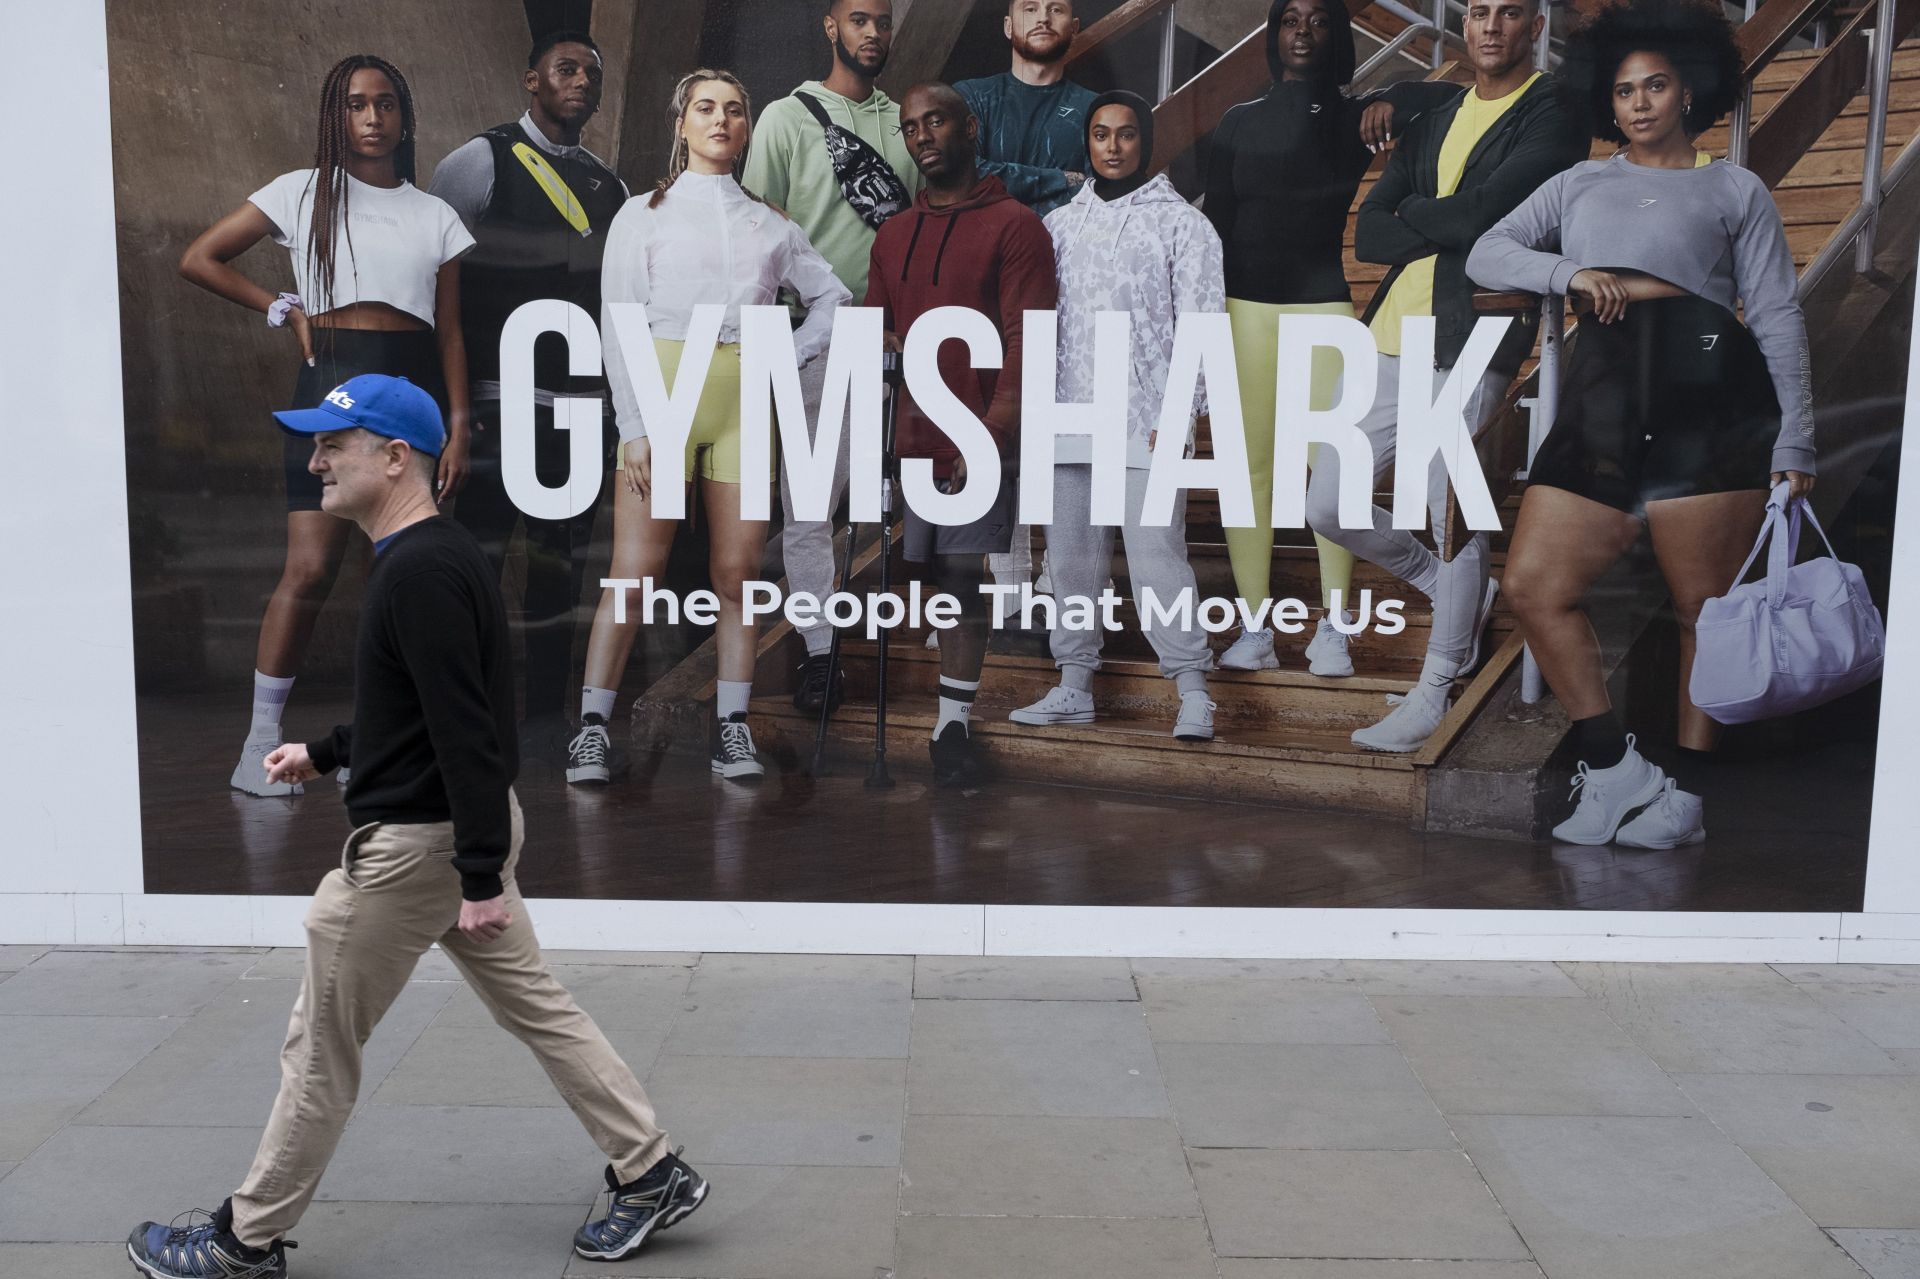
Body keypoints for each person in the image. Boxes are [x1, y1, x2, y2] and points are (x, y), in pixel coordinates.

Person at [126, 375, 706, 1279]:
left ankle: (247, 1238)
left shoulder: (422, 570)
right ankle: (653, 1168)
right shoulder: (426, 555)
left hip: (416, 852)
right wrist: (324, 752)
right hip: (452, 837)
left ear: (396, 458)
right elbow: (429, 708)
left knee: (318, 1044)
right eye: (316, 445)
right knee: (542, 1010)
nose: (314, 461)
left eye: (334, 446)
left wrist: (476, 875)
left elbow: (472, 733)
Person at [1468, 0, 1814, 847]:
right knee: (1534, 586)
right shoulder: (1579, 182)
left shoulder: (1735, 187)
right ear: (1607, 102)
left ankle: (1682, 800)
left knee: (1705, 609)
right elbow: (1487, 252)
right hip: (1605, 394)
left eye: (1655, 85)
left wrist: (1798, 436)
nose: (1640, 103)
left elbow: (1774, 314)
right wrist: (1572, 272)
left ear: (1689, 90)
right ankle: (1619, 770)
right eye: (1624, 91)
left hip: (1713, 393)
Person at [179, 54, 475, 797]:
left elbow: (450, 332)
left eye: (384, 104)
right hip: (334, 384)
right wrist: (281, 308)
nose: (371, 117)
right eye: (354, 104)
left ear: (405, 116)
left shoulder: (434, 213)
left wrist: (461, 421)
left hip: (413, 392)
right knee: (310, 570)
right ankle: (258, 749)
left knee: (397, 576)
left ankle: (381, 748)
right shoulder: (301, 191)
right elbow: (199, 258)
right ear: (334, 116)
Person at [1306, 0, 1586, 752]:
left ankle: (1439, 683)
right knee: (1327, 501)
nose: (1490, 27)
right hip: (1390, 333)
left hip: (1474, 332)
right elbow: (1369, 233)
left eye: (1508, 14)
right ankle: (1449, 590)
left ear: (1536, 27)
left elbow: (1496, 212)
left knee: (1447, 508)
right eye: (1478, 13)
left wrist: (1427, 216)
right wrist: (1455, 216)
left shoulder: (1554, 110)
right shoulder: (1438, 112)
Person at [568, 70, 849, 786]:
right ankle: (592, 731)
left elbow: (833, 297)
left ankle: (732, 729)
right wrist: (632, 424)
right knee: (634, 573)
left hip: (744, 403)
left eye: (734, 109)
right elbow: (618, 320)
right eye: (705, 109)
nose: (721, 120)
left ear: (746, 126)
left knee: (737, 575)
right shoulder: (643, 213)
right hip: (663, 398)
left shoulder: (770, 221)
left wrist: (790, 351)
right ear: (681, 124)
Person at [1206, 0, 1455, 677]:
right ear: (1273, 34)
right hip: (1241, 311)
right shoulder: (1234, 122)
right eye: (1291, 19)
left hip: (1323, 308)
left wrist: (1392, 96)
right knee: (1248, 472)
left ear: (1338, 35)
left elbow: (1457, 97)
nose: (1303, 31)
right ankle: (1255, 630)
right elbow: (1215, 234)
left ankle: (1335, 630)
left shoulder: (1354, 118)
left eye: (1319, 20)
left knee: (1333, 472)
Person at [429, 28, 629, 758]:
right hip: (493, 402)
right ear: (531, 81)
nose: (580, 81)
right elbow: (434, 281)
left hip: (576, 412)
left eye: (591, 74)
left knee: (557, 575)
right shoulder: (481, 159)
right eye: (565, 69)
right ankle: (460, 717)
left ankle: (547, 720)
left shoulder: (612, 185)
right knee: (476, 566)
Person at [1008, 91, 1221, 741]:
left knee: (1158, 556)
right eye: (1100, 134)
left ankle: (1193, 690)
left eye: (1126, 135)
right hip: (1069, 412)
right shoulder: (1058, 226)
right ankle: (1074, 685)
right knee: (1071, 558)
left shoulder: (1182, 224)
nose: (1112, 146)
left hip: (1145, 418)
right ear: (1089, 143)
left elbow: (1204, 325)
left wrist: (1180, 412)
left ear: (1145, 142)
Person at [867, 83, 1059, 786]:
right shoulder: (893, 232)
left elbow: (1027, 339)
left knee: (961, 574)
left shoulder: (1016, 225)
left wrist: (993, 432)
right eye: (911, 125)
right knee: (930, 575)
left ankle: (953, 728)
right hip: (911, 432)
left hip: (979, 431)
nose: (922, 135)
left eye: (936, 120)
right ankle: (949, 712)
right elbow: (876, 323)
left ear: (969, 127)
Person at [744, 0, 920, 714]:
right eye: (858, 20)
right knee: (811, 506)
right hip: (820, 335)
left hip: (905, 336)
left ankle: (914, 645)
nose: (873, 32)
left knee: (912, 503)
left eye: (881, 20)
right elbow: (758, 230)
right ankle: (821, 656)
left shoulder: (906, 120)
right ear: (831, 27)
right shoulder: (786, 118)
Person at [955, 0, 1099, 639]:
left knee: (1055, 443)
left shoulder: (1095, 110)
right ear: (1007, 26)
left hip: (1066, 292)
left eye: (1058, 7)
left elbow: (1100, 185)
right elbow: (964, 174)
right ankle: (1008, 593)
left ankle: (1055, 587)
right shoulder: (972, 98)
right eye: (1029, 7)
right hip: (980, 291)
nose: (1043, 16)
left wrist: (1020, 182)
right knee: (996, 440)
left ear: (1074, 26)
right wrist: (1056, 179)